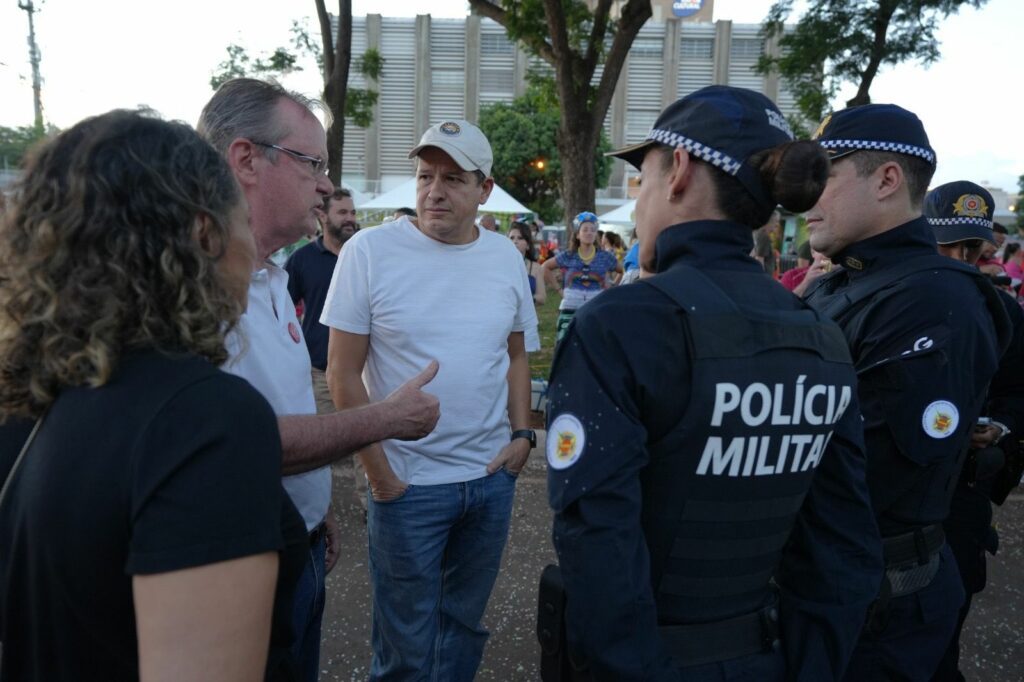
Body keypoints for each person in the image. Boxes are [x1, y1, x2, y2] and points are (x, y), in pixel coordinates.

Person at [542, 85, 882, 680]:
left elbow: (600, 549)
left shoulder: (622, 324)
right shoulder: (821, 336)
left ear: (677, 170)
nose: (639, 201)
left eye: (641, 179)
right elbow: (843, 552)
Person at [0, 110, 302, 680]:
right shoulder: (207, 420)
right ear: (203, 234)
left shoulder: (31, 395)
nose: (251, 249)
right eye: (243, 221)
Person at [198, 78, 441, 681]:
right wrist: (382, 420)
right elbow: (245, 443)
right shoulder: (195, 294)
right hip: (240, 566)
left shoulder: (272, 275)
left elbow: (274, 412)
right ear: (246, 159)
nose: (329, 185)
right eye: (313, 163)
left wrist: (314, 508)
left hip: (295, 542)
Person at [322, 119, 538, 681]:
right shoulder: (369, 252)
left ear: (484, 189)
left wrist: (521, 438)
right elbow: (341, 375)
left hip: (491, 481)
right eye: (424, 175)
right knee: (405, 644)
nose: (434, 191)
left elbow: (517, 355)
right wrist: (380, 476)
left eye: (453, 178)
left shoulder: (504, 257)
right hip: (407, 487)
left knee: (464, 629)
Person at [803, 105, 1010, 681]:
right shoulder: (846, 282)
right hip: (830, 591)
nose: (807, 199)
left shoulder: (935, 298)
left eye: (825, 176)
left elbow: (866, 476)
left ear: (888, 179)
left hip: (877, 607)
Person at [923, 181, 1024, 682]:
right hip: (890, 505)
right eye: (948, 245)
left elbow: (1019, 391)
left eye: (971, 248)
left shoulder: (1002, 312)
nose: (961, 258)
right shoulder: (897, 300)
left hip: (961, 498)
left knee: (942, 641)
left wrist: (999, 428)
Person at [285, 188, 369, 512]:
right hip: (320, 372)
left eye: (352, 212)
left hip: (364, 372)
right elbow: (280, 306)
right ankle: (316, 511)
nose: (350, 219)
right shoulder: (302, 260)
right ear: (323, 216)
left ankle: (371, 505)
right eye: (342, 213)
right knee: (318, 447)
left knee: (368, 440)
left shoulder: (365, 256)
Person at [544, 211, 621, 342]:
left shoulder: (605, 257)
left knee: (594, 345)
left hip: (596, 310)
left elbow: (621, 270)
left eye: (593, 230)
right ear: (577, 235)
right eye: (585, 229)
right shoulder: (568, 255)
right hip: (569, 308)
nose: (589, 233)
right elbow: (545, 267)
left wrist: (611, 288)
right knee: (565, 345)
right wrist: (559, 290)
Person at [509, 220, 547, 307]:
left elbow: (542, 298)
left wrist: (525, 299)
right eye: (511, 238)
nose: (515, 241)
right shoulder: (499, 266)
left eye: (520, 238)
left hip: (527, 318)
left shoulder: (536, 267)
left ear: (528, 245)